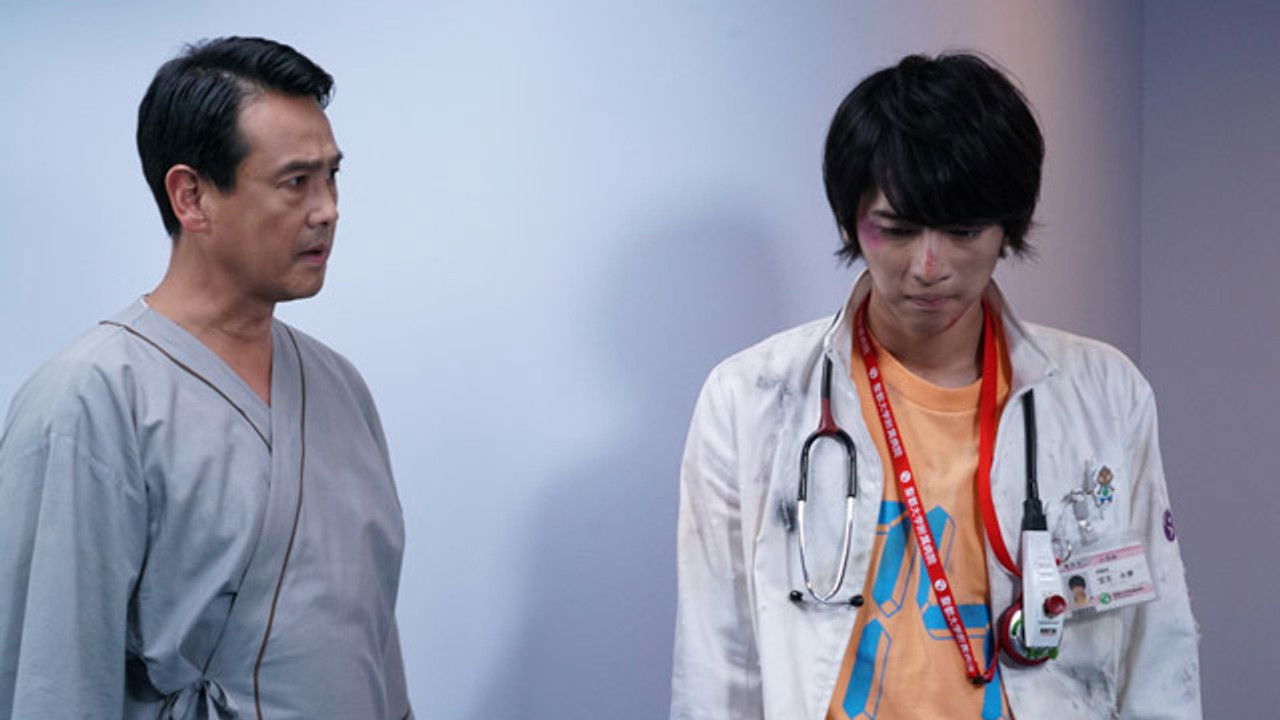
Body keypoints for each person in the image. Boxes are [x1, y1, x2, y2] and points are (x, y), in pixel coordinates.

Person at [670, 53, 1200, 719]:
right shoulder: (749, 399)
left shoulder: (1105, 393)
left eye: (964, 230)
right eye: (896, 230)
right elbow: (717, 659)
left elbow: (1156, 650)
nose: (929, 266)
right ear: (850, 222)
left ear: (1008, 227)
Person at [0, 37, 411, 719]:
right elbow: (53, 677)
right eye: (296, 181)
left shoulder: (341, 389)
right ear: (191, 197)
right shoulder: (91, 399)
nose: (327, 209)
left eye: (332, 176)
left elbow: (370, 643)